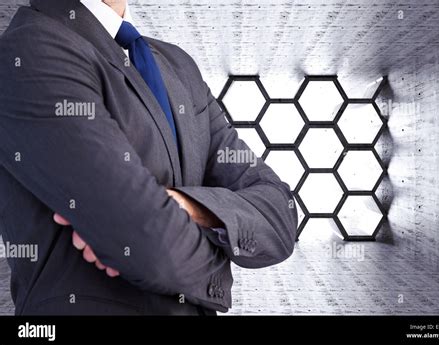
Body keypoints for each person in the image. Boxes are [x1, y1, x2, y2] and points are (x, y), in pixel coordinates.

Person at [0, 0, 297, 315]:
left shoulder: (179, 66)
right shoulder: (30, 50)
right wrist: (222, 264)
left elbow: (280, 218)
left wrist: (189, 207)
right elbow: (150, 244)